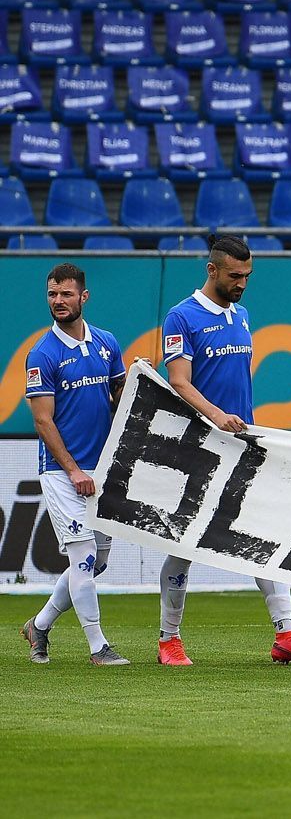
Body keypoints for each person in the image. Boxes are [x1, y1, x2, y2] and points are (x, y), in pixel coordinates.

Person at [157, 235, 291, 666]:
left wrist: (243, 424)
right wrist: (218, 416)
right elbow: (179, 382)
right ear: (212, 270)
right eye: (235, 276)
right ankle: (168, 639)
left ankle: (286, 634)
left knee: (264, 536)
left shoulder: (242, 314)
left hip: (243, 446)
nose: (243, 283)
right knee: (184, 545)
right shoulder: (182, 316)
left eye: (248, 276)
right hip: (200, 447)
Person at [20, 263, 129, 666]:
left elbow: (120, 397)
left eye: (66, 294)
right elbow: (43, 421)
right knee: (83, 557)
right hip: (63, 472)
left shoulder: (106, 343)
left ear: (84, 297)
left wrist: (137, 383)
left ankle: (40, 625)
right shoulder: (42, 354)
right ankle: (98, 647)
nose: (58, 301)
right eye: (52, 294)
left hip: (102, 471)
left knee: (96, 563)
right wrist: (73, 471)